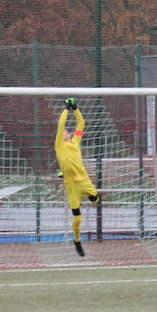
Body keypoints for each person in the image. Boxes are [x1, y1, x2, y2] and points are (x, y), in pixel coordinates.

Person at [55, 97, 99, 257]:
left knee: (95, 199)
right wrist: (66, 108)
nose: (66, 132)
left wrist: (75, 108)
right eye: (65, 132)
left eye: (67, 131)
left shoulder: (76, 141)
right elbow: (61, 124)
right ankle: (77, 239)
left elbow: (81, 124)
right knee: (77, 217)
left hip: (84, 181)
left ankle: (64, 173)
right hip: (71, 185)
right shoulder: (59, 146)